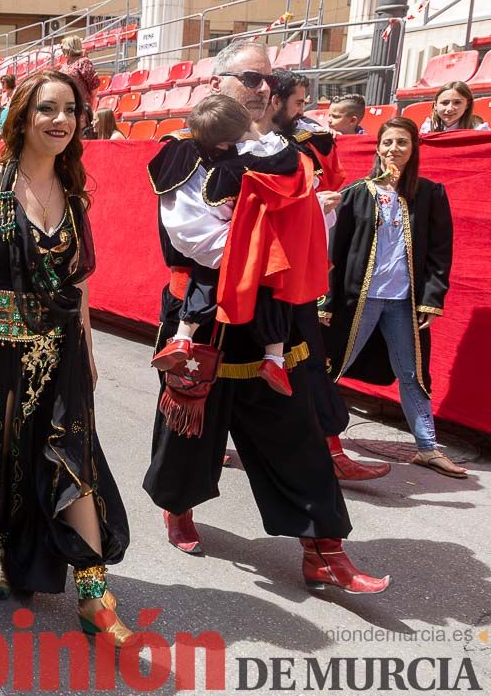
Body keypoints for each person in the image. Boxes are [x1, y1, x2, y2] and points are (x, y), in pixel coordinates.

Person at [143, 39, 389, 593]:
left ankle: (324, 550)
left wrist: (289, 240)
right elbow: (197, 239)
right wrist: (276, 241)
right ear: (217, 84)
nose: (263, 90)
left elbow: (315, 232)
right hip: (204, 316)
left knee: (296, 431)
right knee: (191, 426)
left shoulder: (289, 149)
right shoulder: (184, 150)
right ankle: (178, 507)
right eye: (251, 79)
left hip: (275, 314)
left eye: (268, 81)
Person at [0, 69, 133, 644]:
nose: (61, 120)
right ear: (21, 117)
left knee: (73, 455)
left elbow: (78, 281)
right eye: (47, 109)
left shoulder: (71, 193)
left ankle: (94, 592)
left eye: (70, 110)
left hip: (59, 348)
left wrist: (88, 348)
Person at [323, 117, 465, 478]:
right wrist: (326, 300)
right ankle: (317, 439)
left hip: (404, 301)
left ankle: (427, 448)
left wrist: (432, 299)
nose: (393, 149)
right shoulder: (358, 192)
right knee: (331, 367)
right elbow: (334, 252)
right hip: (360, 301)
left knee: (412, 373)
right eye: (387, 142)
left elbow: (439, 252)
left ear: (414, 148)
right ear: (378, 147)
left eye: (402, 142)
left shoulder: (430, 194)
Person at [264, 71, 389, 481]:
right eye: (298, 103)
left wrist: (321, 207)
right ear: (274, 100)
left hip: (294, 272)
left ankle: (332, 452)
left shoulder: (308, 143)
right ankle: (206, 450)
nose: (304, 112)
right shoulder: (238, 143)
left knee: (310, 361)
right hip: (247, 276)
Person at [150, 95, 297, 397]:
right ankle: (274, 357)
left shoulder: (231, 164)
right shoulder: (278, 153)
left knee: (208, 281)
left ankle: (182, 337)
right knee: (273, 293)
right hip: (248, 256)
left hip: (226, 259)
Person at [419, 80, 489, 132]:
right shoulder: (427, 129)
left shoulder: (480, 130)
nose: (449, 109)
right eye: (444, 103)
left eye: (457, 102)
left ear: (467, 105)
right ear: (435, 105)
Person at [59, 33, 98, 108]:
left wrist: (88, 102)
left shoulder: (83, 62)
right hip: (67, 103)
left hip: (81, 104)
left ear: (71, 47)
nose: (62, 49)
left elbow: (94, 86)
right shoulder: (65, 65)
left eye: (64, 47)